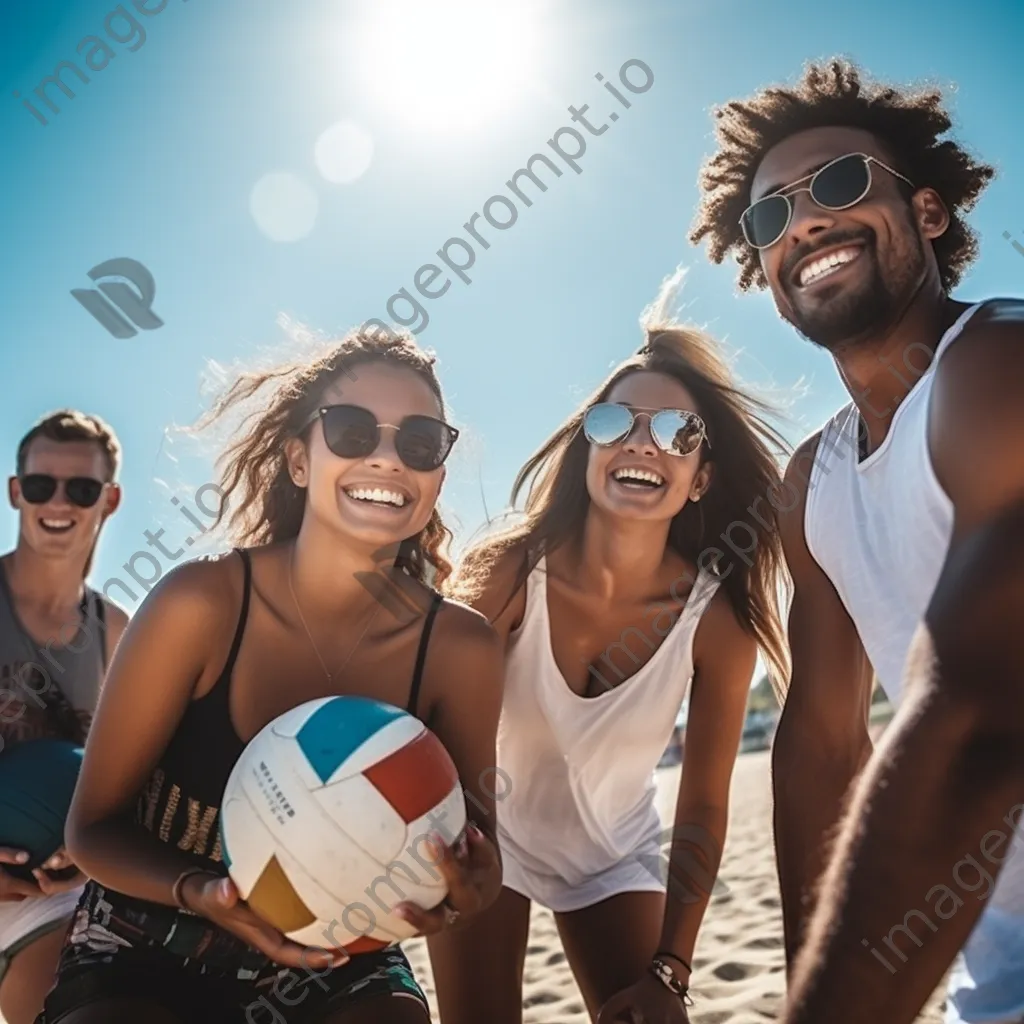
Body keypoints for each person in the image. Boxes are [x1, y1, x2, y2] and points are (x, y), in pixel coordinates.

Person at [40, 327, 505, 1024]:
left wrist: (472, 882)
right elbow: (92, 829)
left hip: (342, 950)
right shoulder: (200, 604)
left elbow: (478, 843)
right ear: (297, 459)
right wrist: (202, 891)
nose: (386, 458)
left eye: (419, 442)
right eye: (351, 431)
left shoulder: (460, 646)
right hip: (148, 934)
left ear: (438, 473)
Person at [690, 57, 1024, 1024]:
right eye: (769, 217)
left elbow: (981, 705)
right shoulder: (813, 483)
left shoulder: (996, 365)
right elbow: (822, 744)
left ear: (927, 213)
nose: (804, 221)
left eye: (838, 183)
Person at [428, 272, 791, 1024]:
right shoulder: (507, 572)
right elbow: (429, 715)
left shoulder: (715, 620)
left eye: (676, 434)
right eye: (615, 421)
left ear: (701, 479)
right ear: (585, 443)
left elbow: (702, 803)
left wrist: (673, 969)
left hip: (614, 855)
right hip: (483, 832)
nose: (640, 444)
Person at [0, 410, 129, 1024]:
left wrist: (90, 847)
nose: (59, 502)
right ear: (15, 491)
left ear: (109, 499)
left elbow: (128, 782)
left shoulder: (120, 635)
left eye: (80, 489)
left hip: (50, 899)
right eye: (40, 485)